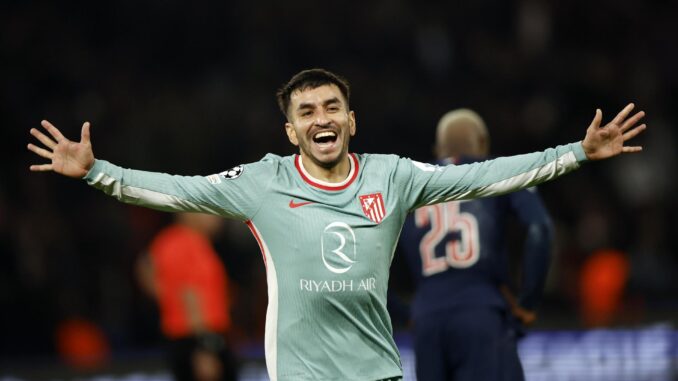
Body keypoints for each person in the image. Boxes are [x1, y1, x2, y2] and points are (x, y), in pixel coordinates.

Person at [27, 68, 646, 381]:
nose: (321, 118)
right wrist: (95, 172)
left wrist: (576, 152)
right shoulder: (263, 183)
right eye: (306, 112)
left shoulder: (393, 176)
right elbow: (174, 191)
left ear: (352, 121)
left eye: (331, 107)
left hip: (379, 375)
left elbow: (484, 177)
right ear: (291, 132)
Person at [398, 108, 554, 380]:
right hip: (481, 312)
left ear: (437, 149)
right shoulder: (498, 171)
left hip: (427, 321)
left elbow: (362, 257)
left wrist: (401, 312)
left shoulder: (408, 184)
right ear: (483, 143)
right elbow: (540, 229)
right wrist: (528, 301)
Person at [136, 212, 238, 381]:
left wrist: (168, 298)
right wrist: (203, 348)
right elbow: (189, 295)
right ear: (189, 214)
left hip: (196, 337)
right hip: (197, 339)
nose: (218, 219)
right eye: (211, 213)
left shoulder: (186, 241)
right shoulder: (184, 243)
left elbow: (144, 266)